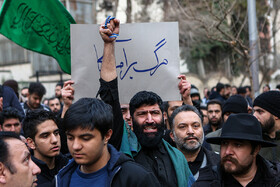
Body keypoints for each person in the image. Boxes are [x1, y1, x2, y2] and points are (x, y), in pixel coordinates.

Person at [97, 17, 194, 186]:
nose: (150, 120)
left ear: (164, 116)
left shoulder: (177, 156)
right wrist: (109, 45)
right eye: (142, 114)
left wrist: (187, 99)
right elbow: (109, 95)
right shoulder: (121, 147)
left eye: (154, 113)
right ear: (131, 120)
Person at [56, 98, 160, 187]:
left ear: (107, 135)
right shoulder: (61, 178)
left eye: (85, 138)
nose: (76, 146)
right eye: (70, 138)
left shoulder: (136, 178)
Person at [193, 114, 280, 187]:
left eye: (238, 145)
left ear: (256, 149)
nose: (228, 152)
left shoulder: (275, 179)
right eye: (224, 143)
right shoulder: (206, 182)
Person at [170, 105, 219, 180]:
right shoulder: (163, 166)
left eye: (195, 126)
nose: (190, 131)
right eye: (183, 127)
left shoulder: (220, 163)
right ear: (172, 135)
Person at [23, 110, 68, 186]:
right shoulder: (26, 176)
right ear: (31, 143)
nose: (54, 140)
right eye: (45, 136)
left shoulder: (69, 166)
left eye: (56, 133)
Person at [253, 90, 280, 162]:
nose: (254, 116)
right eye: (254, 111)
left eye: (260, 112)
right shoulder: (254, 141)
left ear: (276, 115)